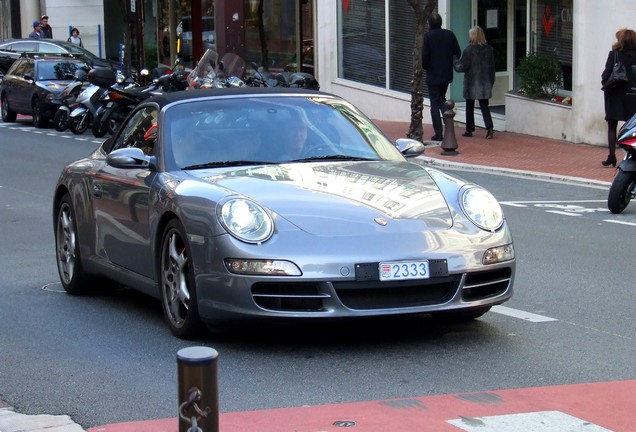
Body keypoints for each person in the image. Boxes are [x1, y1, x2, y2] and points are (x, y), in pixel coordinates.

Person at [421, 12, 461, 141]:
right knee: (442, 100)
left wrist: (426, 66)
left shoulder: (428, 36)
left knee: (434, 103)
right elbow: (457, 52)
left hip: (433, 75)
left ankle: (438, 133)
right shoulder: (449, 35)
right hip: (446, 74)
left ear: (430, 24)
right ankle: (449, 127)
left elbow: (425, 57)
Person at [601, 28, 636, 167]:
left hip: (615, 94)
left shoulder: (614, 55)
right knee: (633, 127)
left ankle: (612, 156)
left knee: (612, 126)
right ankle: (632, 155)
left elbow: (605, 76)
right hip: (633, 94)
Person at [454, 26, 496, 139]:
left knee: (469, 105)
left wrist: (454, 60)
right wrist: (491, 81)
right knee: (484, 105)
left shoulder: (469, 50)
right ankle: (489, 127)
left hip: (472, 82)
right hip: (485, 82)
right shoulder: (489, 49)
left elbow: (461, 67)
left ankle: (469, 129)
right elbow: (492, 67)